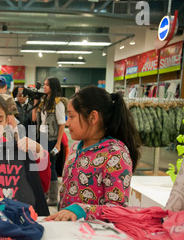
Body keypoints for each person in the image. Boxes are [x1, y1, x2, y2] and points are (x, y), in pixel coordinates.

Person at [46, 85, 141, 222]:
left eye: (71, 116)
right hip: (69, 233)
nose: (67, 122)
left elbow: (118, 210)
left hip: (95, 238)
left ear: (93, 117)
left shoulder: (115, 155)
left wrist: (80, 210)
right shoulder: (75, 148)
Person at [32, 76, 66, 206]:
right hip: (42, 137)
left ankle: (52, 197)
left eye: (47, 85)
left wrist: (58, 144)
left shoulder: (58, 103)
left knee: (51, 166)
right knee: (42, 165)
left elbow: (62, 124)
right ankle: (45, 193)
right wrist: (35, 101)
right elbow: (34, 118)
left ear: (53, 87)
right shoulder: (44, 101)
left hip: (52, 139)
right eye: (44, 84)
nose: (44, 87)